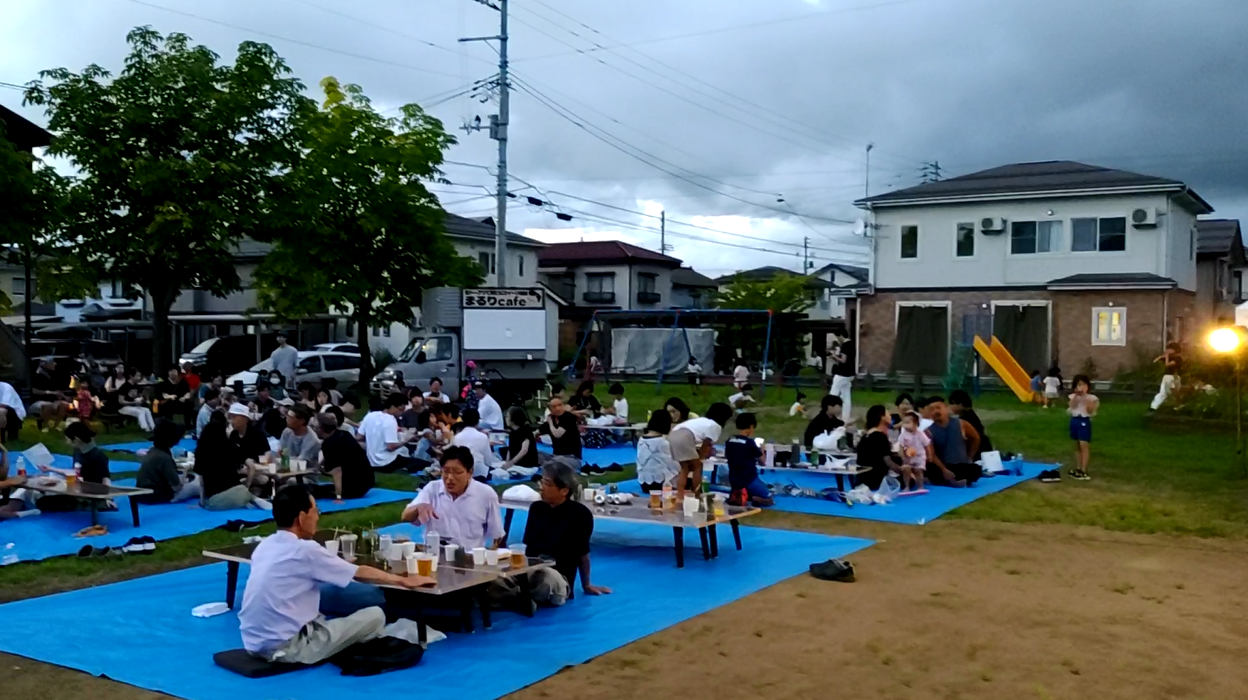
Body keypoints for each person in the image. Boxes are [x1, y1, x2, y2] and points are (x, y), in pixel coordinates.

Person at [238, 484, 431, 664]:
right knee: (376, 615)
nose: (318, 517)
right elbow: (359, 573)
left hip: (253, 643)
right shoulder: (306, 550)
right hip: (290, 648)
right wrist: (403, 580)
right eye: (316, 511)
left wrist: (336, 565)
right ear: (302, 517)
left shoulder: (265, 545)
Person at [518, 459, 611, 605]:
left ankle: (519, 596)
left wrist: (586, 584)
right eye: (542, 482)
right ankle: (520, 595)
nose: (541, 488)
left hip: (557, 577)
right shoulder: (536, 508)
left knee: (547, 579)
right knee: (497, 578)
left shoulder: (580, 514)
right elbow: (528, 547)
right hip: (531, 570)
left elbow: (583, 553)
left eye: (547, 484)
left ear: (564, 490)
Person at [401, 446, 504, 549]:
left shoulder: (486, 494)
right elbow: (405, 517)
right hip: (435, 553)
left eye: (457, 472)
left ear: (470, 472)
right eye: (446, 471)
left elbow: (497, 535)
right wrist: (417, 508)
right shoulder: (432, 489)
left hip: (470, 555)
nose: (450, 478)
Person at [670, 402, 733, 500]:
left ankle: (680, 495)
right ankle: (697, 495)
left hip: (673, 435)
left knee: (684, 468)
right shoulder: (715, 426)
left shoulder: (701, 420)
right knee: (697, 467)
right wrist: (701, 458)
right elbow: (706, 445)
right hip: (685, 437)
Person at [134, 420, 201, 504]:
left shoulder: (154, 451)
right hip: (157, 495)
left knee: (194, 478)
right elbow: (176, 487)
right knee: (197, 486)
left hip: (145, 493)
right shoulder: (164, 457)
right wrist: (185, 476)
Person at [316, 411, 375, 502]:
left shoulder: (329, 444)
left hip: (353, 488)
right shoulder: (344, 434)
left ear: (321, 429)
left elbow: (337, 472)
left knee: (312, 491)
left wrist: (338, 497)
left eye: (315, 427)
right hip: (366, 482)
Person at [924, 396, 981, 487]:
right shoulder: (928, 431)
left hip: (961, 465)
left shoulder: (961, 424)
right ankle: (953, 481)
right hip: (943, 466)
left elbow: (975, 438)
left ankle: (950, 481)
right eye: (932, 410)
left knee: (975, 470)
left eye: (938, 408)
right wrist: (944, 470)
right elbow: (932, 454)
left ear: (946, 408)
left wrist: (970, 457)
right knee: (930, 470)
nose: (935, 411)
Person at [359, 392, 420, 473]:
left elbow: (359, 437)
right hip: (387, 462)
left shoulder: (370, 415)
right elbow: (391, 447)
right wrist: (407, 440)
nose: (401, 413)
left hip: (370, 462)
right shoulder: (390, 420)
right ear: (393, 406)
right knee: (421, 463)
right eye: (401, 410)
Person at [724, 413, 773, 507]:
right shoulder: (749, 443)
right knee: (769, 499)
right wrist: (762, 449)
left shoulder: (729, 440)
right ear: (751, 426)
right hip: (749, 478)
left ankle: (741, 495)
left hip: (733, 479)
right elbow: (762, 462)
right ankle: (750, 497)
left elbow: (728, 456)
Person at [855, 405, 903, 490]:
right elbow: (888, 461)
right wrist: (903, 471)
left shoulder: (866, 436)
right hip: (876, 478)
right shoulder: (880, 436)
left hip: (863, 477)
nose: (890, 416)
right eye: (888, 414)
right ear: (882, 417)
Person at [635, 410, 680, 492]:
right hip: (660, 483)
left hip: (643, 484)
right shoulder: (663, 442)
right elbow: (672, 464)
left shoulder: (641, 440)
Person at [1068, 374, 1098, 481]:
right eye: (1079, 384)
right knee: (1077, 445)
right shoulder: (1073, 396)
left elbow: (1090, 410)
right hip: (1074, 420)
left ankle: (1084, 470)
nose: (1082, 387)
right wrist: (1077, 396)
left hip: (1084, 421)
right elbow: (1072, 406)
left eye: (1084, 384)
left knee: (1083, 444)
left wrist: (1085, 398)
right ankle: (1078, 467)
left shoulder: (1092, 398)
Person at [451, 408, 495, 479]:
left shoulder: (457, 437)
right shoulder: (483, 437)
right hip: (480, 473)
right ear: (478, 421)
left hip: (462, 472)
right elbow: (488, 461)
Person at [948, 389, 992, 459]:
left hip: (977, 452)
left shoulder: (967, 419)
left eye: (952, 404)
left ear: (960, 404)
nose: (950, 407)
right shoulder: (969, 415)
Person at [30, 358, 70, 431]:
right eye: (52, 363)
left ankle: (56, 426)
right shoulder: (38, 376)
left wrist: (63, 396)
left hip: (53, 401)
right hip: (39, 401)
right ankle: (46, 426)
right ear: (45, 364)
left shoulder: (53, 375)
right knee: (48, 405)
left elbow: (57, 391)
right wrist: (49, 392)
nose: (54, 364)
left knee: (64, 404)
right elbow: (34, 391)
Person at [65, 422, 110, 486]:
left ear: (77, 439)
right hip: (79, 486)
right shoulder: (77, 451)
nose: (67, 442)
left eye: (68, 440)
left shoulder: (98, 456)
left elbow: (105, 479)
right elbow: (74, 472)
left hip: (93, 489)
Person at [280, 404, 322, 471]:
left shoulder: (312, 440)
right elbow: (282, 453)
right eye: (287, 416)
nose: (287, 419)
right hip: (287, 469)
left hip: (306, 473)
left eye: (291, 417)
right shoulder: (287, 432)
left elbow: (300, 462)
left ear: (302, 420)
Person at [896, 412, 928, 492]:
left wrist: (929, 455)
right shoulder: (903, 435)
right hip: (908, 458)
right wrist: (902, 456)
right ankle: (907, 486)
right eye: (904, 423)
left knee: (919, 471)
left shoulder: (921, 434)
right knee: (906, 471)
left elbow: (926, 444)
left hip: (919, 456)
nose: (905, 425)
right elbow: (901, 446)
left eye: (908, 423)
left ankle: (920, 486)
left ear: (916, 423)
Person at [828, 332, 856, 423]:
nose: (838, 340)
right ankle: (845, 418)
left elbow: (843, 360)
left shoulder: (845, 345)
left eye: (837, 337)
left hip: (842, 373)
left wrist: (834, 356)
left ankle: (829, 415)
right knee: (846, 396)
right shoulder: (852, 344)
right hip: (850, 373)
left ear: (841, 335)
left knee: (833, 393)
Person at [501, 406, 539, 471]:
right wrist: (507, 462)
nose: (505, 418)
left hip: (527, 463)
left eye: (507, 416)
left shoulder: (526, 430)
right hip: (516, 463)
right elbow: (510, 449)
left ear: (513, 418)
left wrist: (511, 463)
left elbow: (524, 450)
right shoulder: (512, 432)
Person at [1151, 342, 1183, 411]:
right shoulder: (1168, 358)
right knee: (1164, 393)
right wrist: (1161, 357)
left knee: (1175, 393)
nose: (1167, 350)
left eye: (1170, 349)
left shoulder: (1178, 358)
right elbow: (1154, 362)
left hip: (1174, 377)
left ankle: (1176, 407)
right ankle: (1154, 407)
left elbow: (1167, 365)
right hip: (1167, 377)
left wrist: (1167, 357)